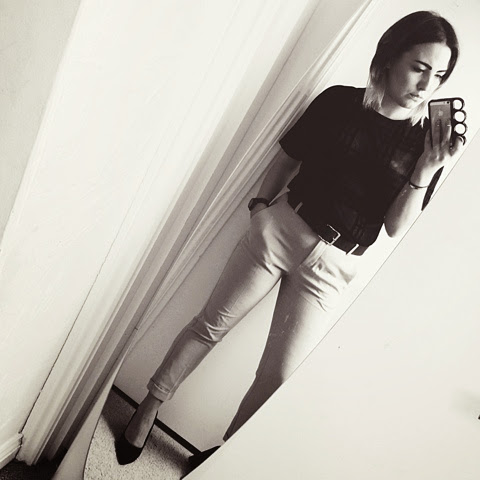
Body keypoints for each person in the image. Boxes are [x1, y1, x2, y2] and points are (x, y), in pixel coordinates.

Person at [115, 10, 465, 471]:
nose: (426, 84)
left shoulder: (427, 146)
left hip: (335, 265)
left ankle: (224, 459)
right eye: (419, 67)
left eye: (439, 75)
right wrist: (260, 209)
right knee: (210, 325)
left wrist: (426, 170)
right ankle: (149, 406)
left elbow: (397, 227)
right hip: (283, 229)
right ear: (389, 57)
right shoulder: (340, 101)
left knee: (278, 378)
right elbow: (286, 158)